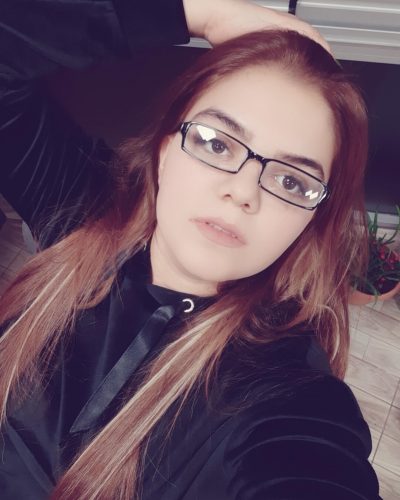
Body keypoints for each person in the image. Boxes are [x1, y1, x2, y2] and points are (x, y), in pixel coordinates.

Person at [0, 1, 381, 499]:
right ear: (164, 152)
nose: (243, 191)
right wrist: (203, 12)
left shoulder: (285, 395)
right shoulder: (86, 209)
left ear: (312, 218)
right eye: (217, 144)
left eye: (291, 180)